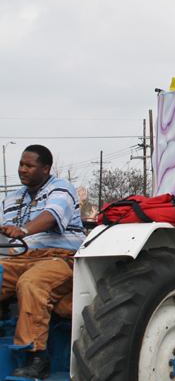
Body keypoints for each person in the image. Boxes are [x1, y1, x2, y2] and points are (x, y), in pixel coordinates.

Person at [0, 145, 86, 379]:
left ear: (46, 168)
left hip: (60, 257)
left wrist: (23, 230)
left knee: (32, 283)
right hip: (22, 257)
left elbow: (50, 217)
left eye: (29, 165)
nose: (22, 169)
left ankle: (36, 357)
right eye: (21, 164)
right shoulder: (11, 199)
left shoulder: (61, 188)